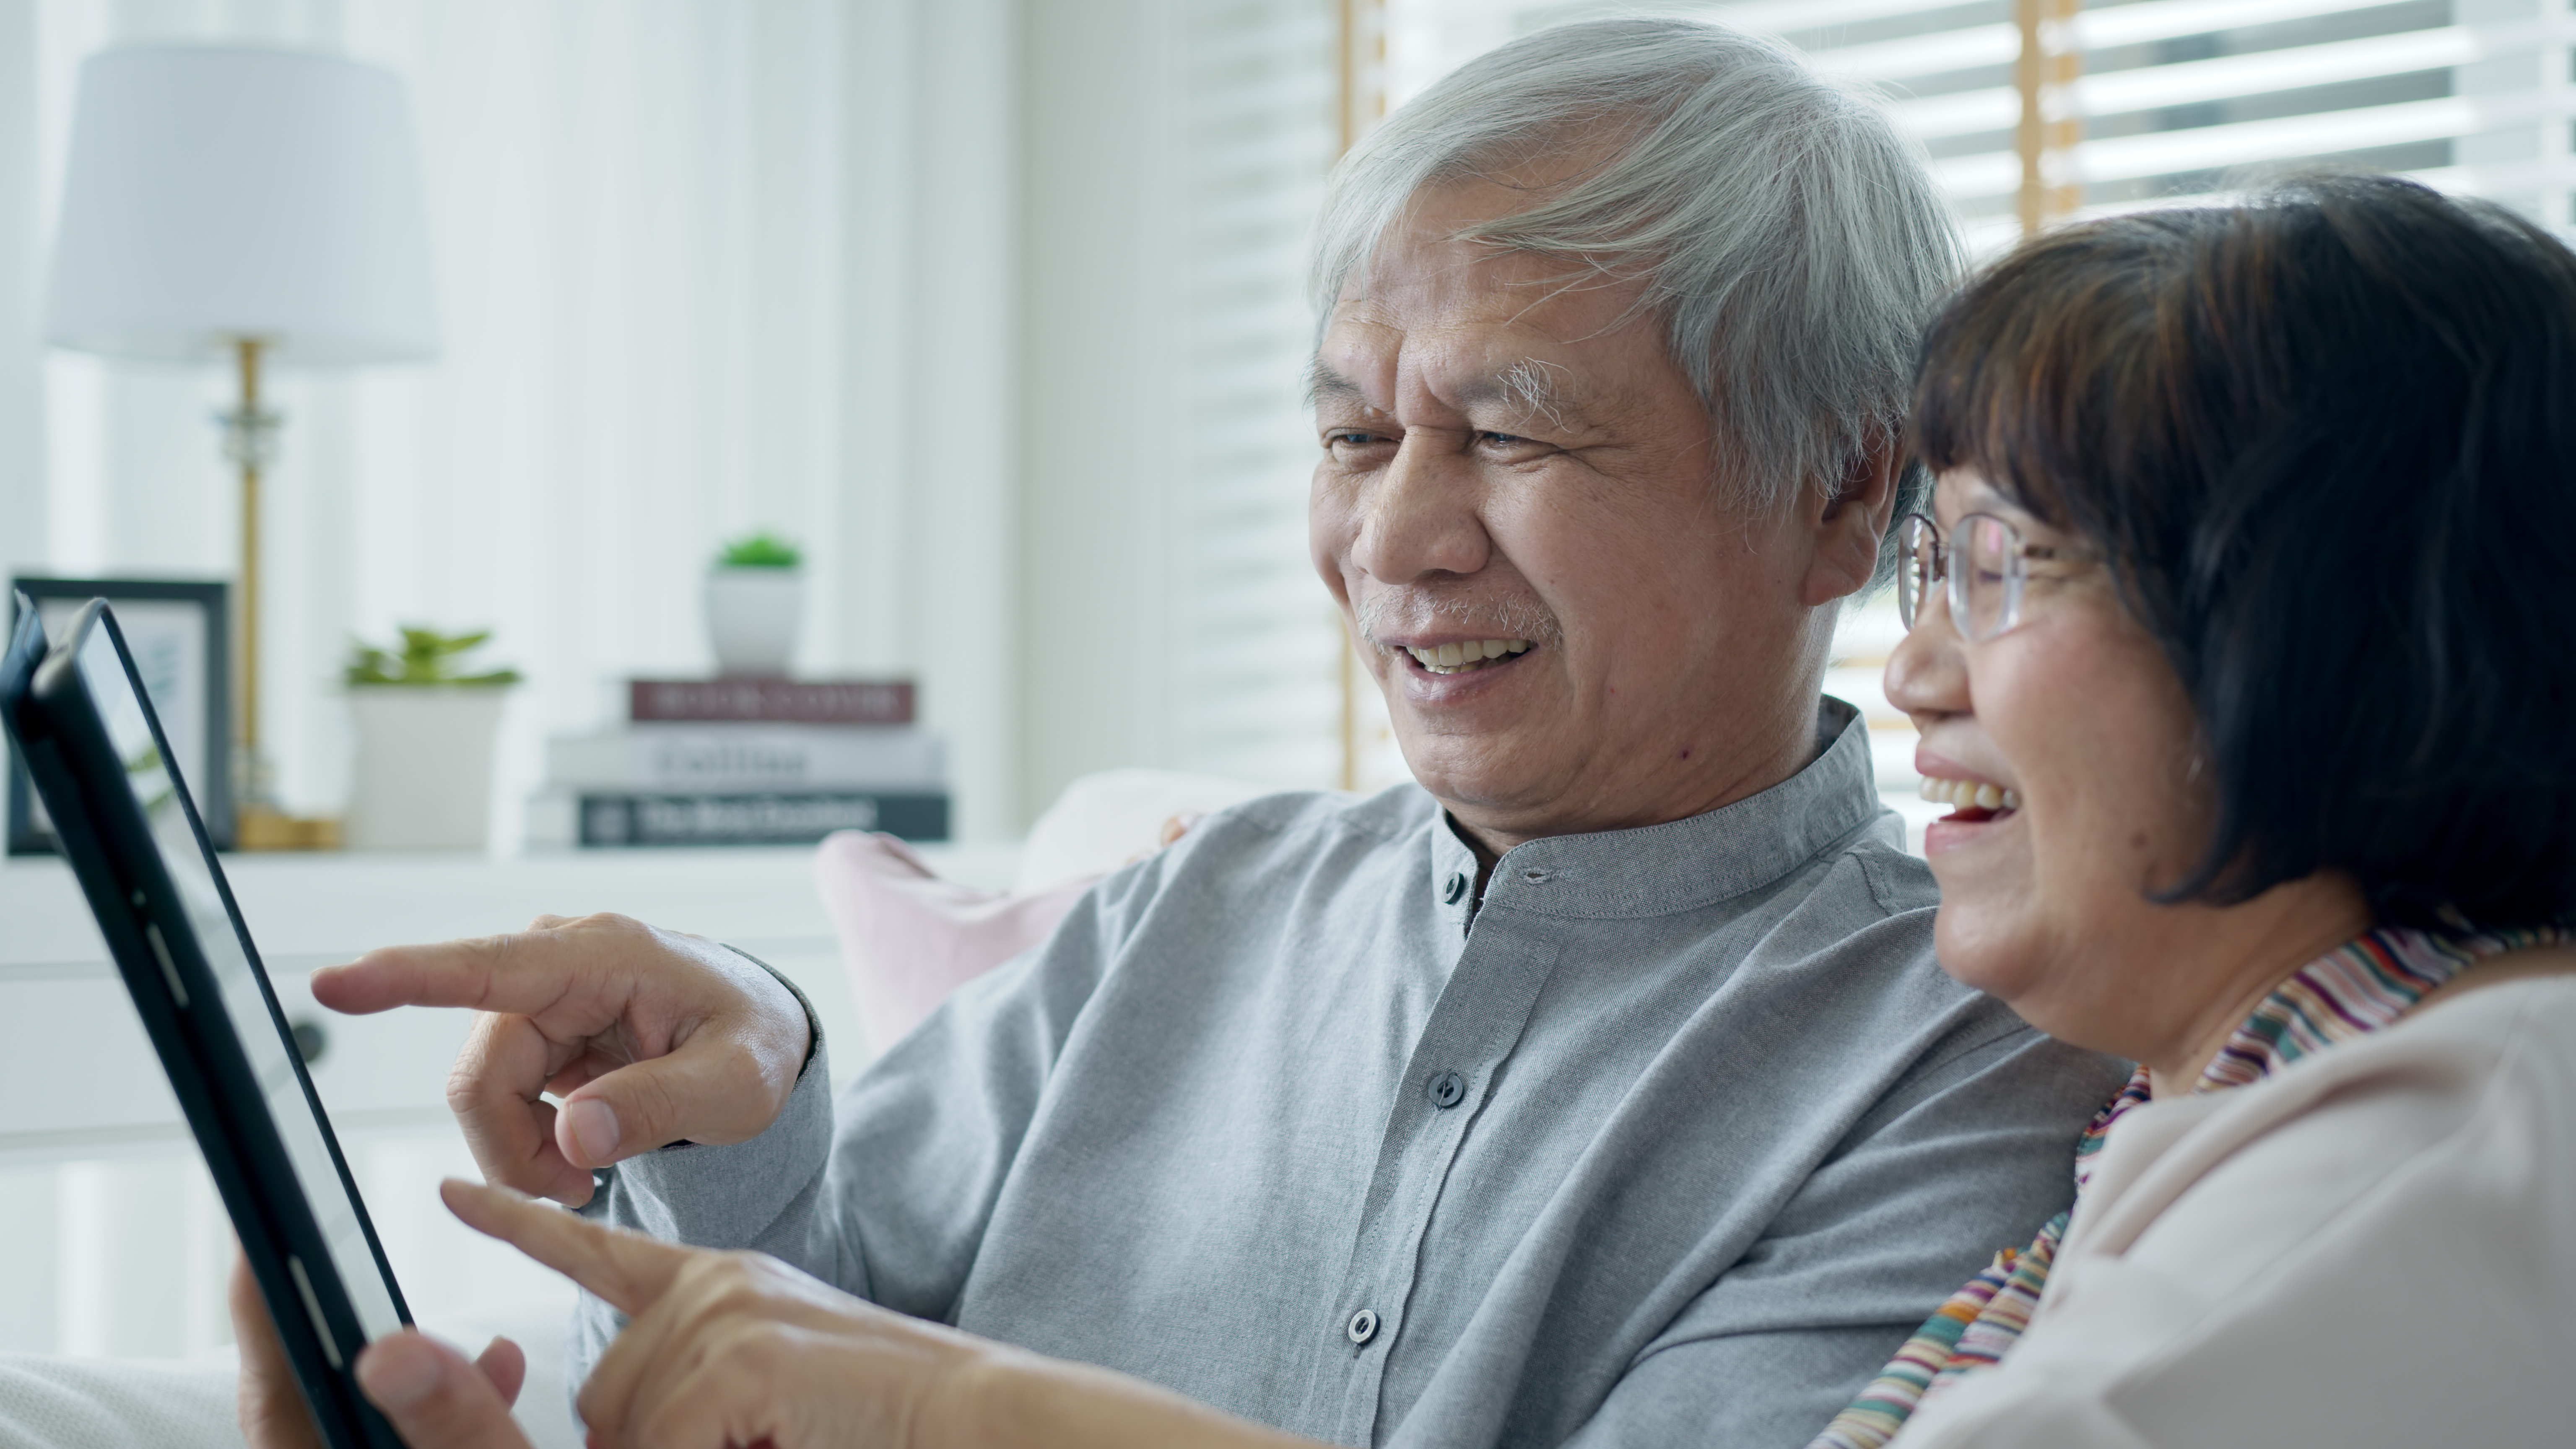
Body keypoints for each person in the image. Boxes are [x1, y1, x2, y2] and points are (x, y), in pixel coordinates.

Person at [252, 167, 2576, 1449]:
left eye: (1518, 430)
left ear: (1816, 495)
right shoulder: (1214, 898)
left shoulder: (2106, 1061)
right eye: (1354, 437)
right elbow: (795, 1301)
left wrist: (963, 1423)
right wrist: (741, 1065)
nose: (1394, 536)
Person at [1807, 171, 2576, 1446]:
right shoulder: (2207, 1116)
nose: (1911, 673)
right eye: (1932, 568)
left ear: (2320, 628)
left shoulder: (2466, 1138)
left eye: (2006, 562)